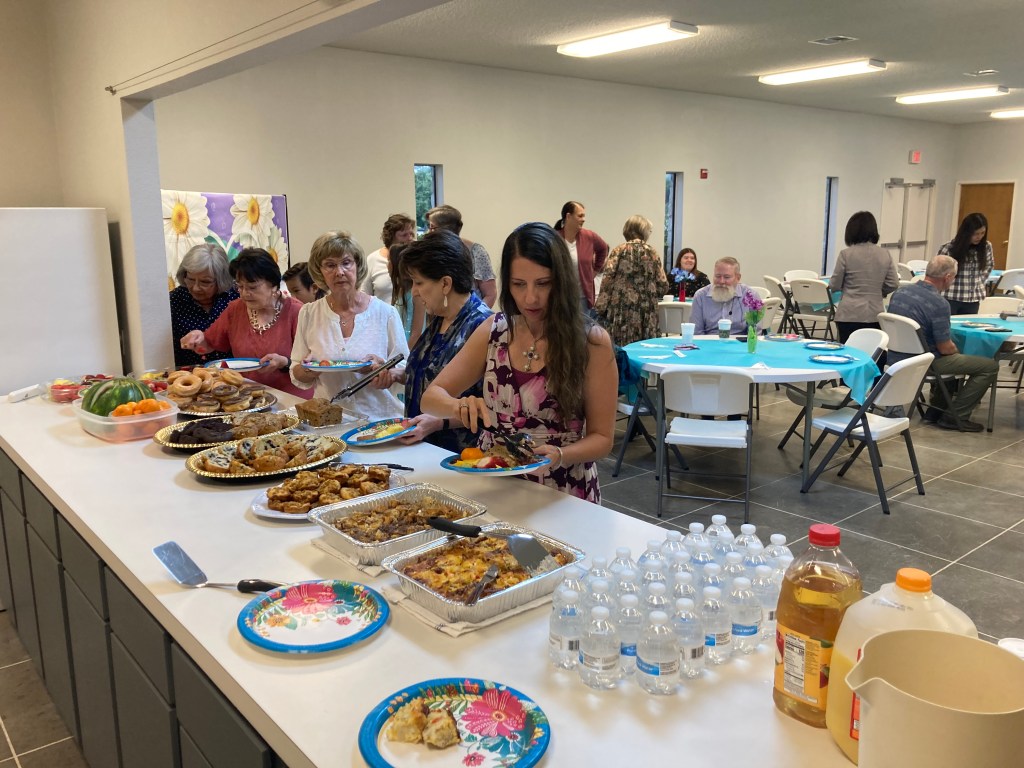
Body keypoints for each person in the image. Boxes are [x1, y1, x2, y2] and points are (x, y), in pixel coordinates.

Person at [421, 222, 617, 503]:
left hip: (562, 487)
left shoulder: (590, 342)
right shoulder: (494, 331)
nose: (530, 298)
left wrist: (560, 454)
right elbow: (431, 398)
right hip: (494, 482)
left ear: (561, 281)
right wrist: (459, 405)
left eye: (543, 283)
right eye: (518, 284)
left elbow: (602, 438)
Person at [372, 230, 492, 452]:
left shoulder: (482, 325)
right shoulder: (440, 318)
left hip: (458, 455)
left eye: (419, 283)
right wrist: (398, 374)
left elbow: (491, 405)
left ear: (445, 284)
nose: (414, 292)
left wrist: (439, 422)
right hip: (423, 449)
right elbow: (431, 375)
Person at [290, 231, 409, 420]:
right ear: (319, 271)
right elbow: (296, 371)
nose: (339, 272)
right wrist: (309, 369)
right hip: (328, 420)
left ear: (357, 265)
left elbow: (405, 369)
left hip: (380, 420)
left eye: (346, 263)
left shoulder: (385, 313)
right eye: (330, 265)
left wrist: (385, 371)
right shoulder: (309, 313)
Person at [887, 255, 998, 432]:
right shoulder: (939, 304)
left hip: (895, 356)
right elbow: (945, 348)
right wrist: (959, 351)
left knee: (951, 357)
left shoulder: (900, 293)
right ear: (947, 277)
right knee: (989, 366)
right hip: (924, 362)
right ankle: (956, 416)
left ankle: (936, 410)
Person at [180, 248, 309, 397]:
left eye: (252, 287)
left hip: (291, 398)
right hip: (247, 397)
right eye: (240, 287)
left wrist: (285, 362)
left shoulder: (297, 312)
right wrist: (197, 338)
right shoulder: (235, 309)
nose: (245, 293)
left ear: (274, 284)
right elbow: (209, 343)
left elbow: (312, 364)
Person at [594, 214, 669, 346]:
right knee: (646, 348)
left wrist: (600, 308)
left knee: (622, 348)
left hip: (621, 310)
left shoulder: (619, 250)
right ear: (643, 231)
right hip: (646, 310)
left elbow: (607, 280)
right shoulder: (652, 252)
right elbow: (663, 285)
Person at [829, 211, 899, 343]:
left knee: (848, 350)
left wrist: (846, 288)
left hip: (849, 313)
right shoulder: (885, 254)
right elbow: (893, 283)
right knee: (872, 349)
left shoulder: (846, 254)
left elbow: (835, 284)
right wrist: (878, 291)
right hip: (875, 312)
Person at [169, 243, 238, 368]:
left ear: (221, 279)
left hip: (234, 373)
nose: (196, 288)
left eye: (205, 282)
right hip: (189, 375)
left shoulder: (236, 298)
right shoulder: (174, 301)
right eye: (190, 279)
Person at [425, 204, 497, 307]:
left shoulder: (476, 252)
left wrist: (474, 315)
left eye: (432, 227)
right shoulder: (430, 252)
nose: (428, 232)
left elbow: (490, 294)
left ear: (446, 229)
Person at [554, 200, 608, 316]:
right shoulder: (554, 238)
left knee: (582, 327)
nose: (583, 219)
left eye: (584, 216)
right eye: (580, 216)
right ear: (568, 216)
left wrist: (595, 270)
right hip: (560, 298)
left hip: (582, 298)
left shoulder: (589, 236)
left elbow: (603, 249)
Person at [937, 212, 994, 315]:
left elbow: (989, 265)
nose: (979, 237)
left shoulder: (986, 246)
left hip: (973, 299)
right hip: (950, 297)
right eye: (976, 234)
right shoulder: (949, 248)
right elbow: (938, 271)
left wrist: (980, 281)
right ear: (966, 233)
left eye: (982, 233)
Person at [360, 213, 416, 304]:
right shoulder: (372, 259)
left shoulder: (416, 259)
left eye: (411, 234)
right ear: (391, 237)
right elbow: (364, 294)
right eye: (404, 235)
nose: (410, 239)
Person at [689, 257, 751, 335]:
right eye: (718, 276)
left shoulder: (750, 296)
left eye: (727, 277)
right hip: (709, 341)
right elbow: (697, 333)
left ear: (738, 278)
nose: (721, 281)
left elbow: (755, 334)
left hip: (740, 341)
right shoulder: (700, 296)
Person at [387, 243, 427, 347]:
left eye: (389, 261)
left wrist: (405, 355)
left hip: (410, 348)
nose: (387, 265)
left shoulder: (416, 295)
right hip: (398, 346)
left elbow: (417, 333)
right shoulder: (400, 290)